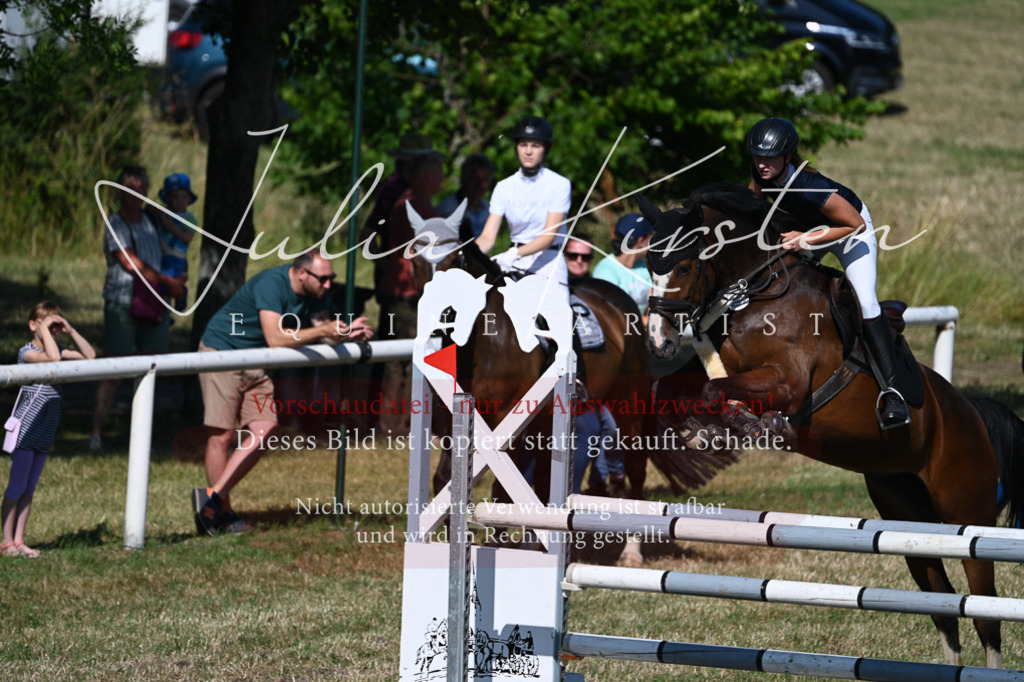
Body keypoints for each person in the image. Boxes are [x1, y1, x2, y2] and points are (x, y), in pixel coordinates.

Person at [193, 252, 373, 536]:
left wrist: (345, 334)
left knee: (266, 429)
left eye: (331, 279)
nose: (328, 285)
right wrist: (323, 330)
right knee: (221, 435)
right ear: (301, 273)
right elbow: (275, 338)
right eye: (323, 279)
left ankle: (211, 503)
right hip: (222, 352)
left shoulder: (318, 294)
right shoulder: (271, 283)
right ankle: (222, 514)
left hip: (256, 361)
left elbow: (321, 331)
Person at [746, 116, 909, 429]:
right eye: (757, 156)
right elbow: (752, 209)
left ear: (787, 156)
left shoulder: (810, 186)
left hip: (851, 231)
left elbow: (854, 225)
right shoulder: (760, 174)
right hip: (811, 228)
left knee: (866, 302)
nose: (761, 164)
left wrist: (804, 239)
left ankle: (893, 391)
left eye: (769, 158)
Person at [90, 165, 185, 451]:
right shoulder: (116, 224)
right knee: (114, 368)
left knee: (150, 367)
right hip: (123, 300)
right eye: (130, 189)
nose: (136, 195)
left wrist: (177, 277)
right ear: (119, 192)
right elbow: (130, 263)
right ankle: (96, 432)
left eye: (141, 189)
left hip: (154, 303)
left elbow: (179, 240)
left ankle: (140, 436)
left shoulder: (151, 221)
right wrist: (169, 282)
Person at [3, 302, 95, 558]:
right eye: (46, 326)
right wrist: (44, 328)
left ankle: (19, 540)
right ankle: (6, 541)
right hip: (27, 427)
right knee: (16, 486)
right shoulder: (27, 353)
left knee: (30, 488)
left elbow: (90, 357)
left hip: (46, 427)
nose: (51, 331)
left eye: (55, 327)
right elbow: (52, 359)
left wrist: (71, 330)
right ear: (33, 326)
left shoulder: (59, 348)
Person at [378, 152, 445, 435]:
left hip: (402, 289)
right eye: (439, 174)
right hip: (408, 292)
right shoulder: (416, 207)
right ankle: (395, 424)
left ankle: (399, 422)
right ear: (428, 177)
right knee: (403, 360)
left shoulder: (408, 203)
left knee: (402, 359)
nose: (442, 180)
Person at [477, 115, 572, 307]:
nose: (528, 151)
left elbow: (548, 236)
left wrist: (514, 254)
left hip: (549, 261)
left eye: (535, 146)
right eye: (523, 144)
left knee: (559, 318)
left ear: (545, 149)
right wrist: (467, 254)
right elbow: (487, 237)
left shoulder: (559, 184)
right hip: (513, 260)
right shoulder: (503, 187)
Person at [561, 240, 624, 495]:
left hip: (593, 387)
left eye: (585, 257)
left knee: (607, 429)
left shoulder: (598, 295)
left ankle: (608, 479)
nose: (579, 260)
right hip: (561, 384)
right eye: (573, 255)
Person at [593, 213, 654, 326]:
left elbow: (653, 304)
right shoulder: (605, 271)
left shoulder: (644, 267)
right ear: (641, 241)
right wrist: (648, 322)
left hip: (640, 334)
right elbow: (611, 314)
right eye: (650, 236)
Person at [154, 172, 199, 312]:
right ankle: (165, 314)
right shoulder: (164, 213)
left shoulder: (189, 218)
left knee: (171, 284)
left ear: (189, 199)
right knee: (160, 287)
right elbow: (149, 207)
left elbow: (187, 237)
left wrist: (170, 226)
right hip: (161, 256)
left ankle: (181, 296)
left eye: (183, 197)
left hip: (177, 258)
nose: (179, 201)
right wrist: (162, 216)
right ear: (167, 198)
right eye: (175, 197)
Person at [436, 154, 496, 238]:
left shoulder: (488, 209)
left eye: (485, 180)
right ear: (463, 178)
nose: (480, 184)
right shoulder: (446, 210)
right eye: (475, 178)